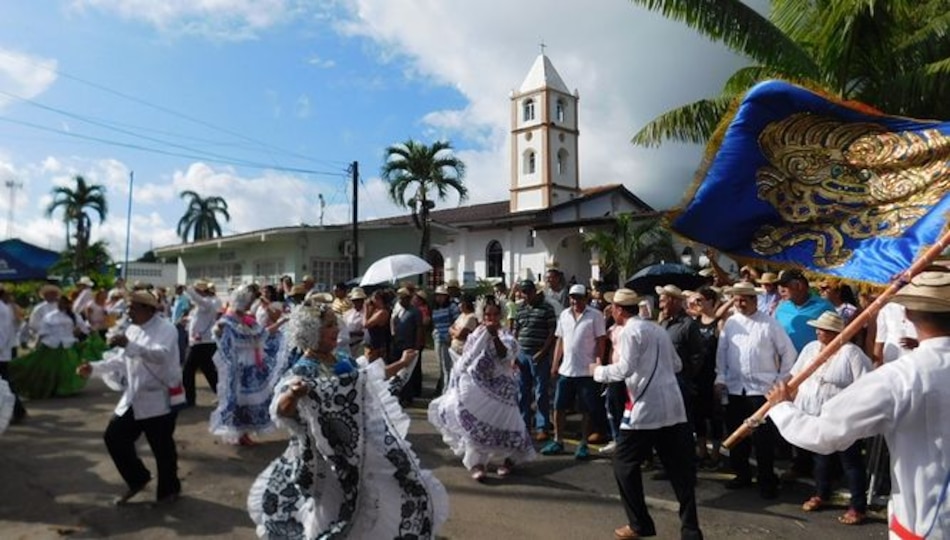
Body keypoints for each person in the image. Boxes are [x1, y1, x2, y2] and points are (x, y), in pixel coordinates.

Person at [767, 267, 950, 538]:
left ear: (907, 315)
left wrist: (781, 408)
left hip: (927, 527)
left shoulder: (901, 376)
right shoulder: (902, 374)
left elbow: (824, 434)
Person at [248, 301, 448, 538]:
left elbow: (370, 378)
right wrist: (293, 394)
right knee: (330, 510)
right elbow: (282, 410)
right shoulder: (303, 370)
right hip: (326, 461)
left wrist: (403, 364)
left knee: (377, 498)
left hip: (358, 452)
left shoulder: (341, 359)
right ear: (311, 331)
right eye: (330, 325)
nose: (337, 329)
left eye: (336, 323)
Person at [591, 289, 703, 540]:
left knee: (623, 464)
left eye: (613, 308)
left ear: (620, 309)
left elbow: (624, 369)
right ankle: (691, 530)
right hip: (671, 407)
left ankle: (640, 524)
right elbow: (677, 365)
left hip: (645, 409)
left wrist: (598, 371)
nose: (611, 311)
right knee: (679, 472)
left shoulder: (631, 331)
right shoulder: (657, 329)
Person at [76, 290, 182, 505]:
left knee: (162, 449)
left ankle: (169, 490)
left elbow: (160, 355)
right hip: (134, 397)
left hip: (159, 399)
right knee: (114, 437)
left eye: (133, 307)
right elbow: (119, 361)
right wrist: (93, 368)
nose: (128, 311)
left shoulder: (166, 329)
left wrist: (129, 345)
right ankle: (138, 478)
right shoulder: (133, 329)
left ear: (146, 309)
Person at [428, 298, 535, 481]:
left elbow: (505, 356)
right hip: (478, 385)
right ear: (482, 316)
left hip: (502, 390)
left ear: (500, 316)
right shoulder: (476, 333)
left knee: (508, 424)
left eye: (494, 314)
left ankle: (510, 459)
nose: (491, 318)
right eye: (487, 315)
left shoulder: (505, 335)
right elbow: (467, 357)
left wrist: (493, 336)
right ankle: (477, 463)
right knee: (474, 424)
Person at [786, 311, 871, 525]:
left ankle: (858, 506)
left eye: (823, 329)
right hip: (814, 412)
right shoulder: (811, 348)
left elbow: (865, 385)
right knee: (821, 458)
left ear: (835, 332)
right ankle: (822, 493)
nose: (818, 331)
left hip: (843, 416)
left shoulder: (851, 353)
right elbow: (796, 375)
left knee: (850, 461)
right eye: (818, 328)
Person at [715, 281, 797, 499]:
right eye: (736, 299)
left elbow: (789, 353)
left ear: (753, 300)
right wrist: (720, 377)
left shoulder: (769, 324)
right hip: (735, 389)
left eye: (743, 299)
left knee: (762, 439)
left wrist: (780, 381)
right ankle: (741, 474)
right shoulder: (731, 323)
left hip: (760, 392)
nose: (739, 303)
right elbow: (722, 352)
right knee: (736, 435)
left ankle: (766, 481)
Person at [209, 285, 287, 446]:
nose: (249, 305)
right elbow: (219, 334)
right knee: (239, 401)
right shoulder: (228, 321)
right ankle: (240, 434)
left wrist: (281, 322)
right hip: (239, 368)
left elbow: (263, 333)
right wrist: (218, 330)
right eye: (247, 302)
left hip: (251, 368)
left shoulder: (248, 321)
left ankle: (243, 434)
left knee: (250, 401)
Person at [542, 284, 606, 459]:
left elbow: (601, 341)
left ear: (586, 298)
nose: (575, 301)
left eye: (579, 297)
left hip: (587, 370)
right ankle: (558, 440)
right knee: (559, 406)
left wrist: (599, 362)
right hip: (566, 370)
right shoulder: (564, 315)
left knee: (586, 409)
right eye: (572, 297)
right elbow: (560, 341)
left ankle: (584, 443)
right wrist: (555, 363)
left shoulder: (596, 316)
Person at [11, 295, 89, 399]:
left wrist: (80, 332)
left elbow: (84, 328)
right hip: (51, 345)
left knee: (68, 368)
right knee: (46, 368)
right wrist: (37, 343)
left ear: (67, 304)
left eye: (63, 303)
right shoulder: (50, 316)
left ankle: (65, 389)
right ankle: (52, 388)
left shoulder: (74, 316)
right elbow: (43, 331)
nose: (61, 304)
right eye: (59, 303)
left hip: (68, 344)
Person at [513, 279, 558, 441]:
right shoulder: (521, 309)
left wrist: (543, 352)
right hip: (522, 354)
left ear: (534, 291)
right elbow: (515, 332)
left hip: (539, 355)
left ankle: (542, 426)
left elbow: (552, 333)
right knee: (522, 392)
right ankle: (524, 424)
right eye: (523, 292)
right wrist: (514, 354)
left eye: (528, 292)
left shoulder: (547, 308)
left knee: (540, 392)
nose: (526, 295)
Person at [183, 280, 221, 406]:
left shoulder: (208, 303)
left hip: (203, 342)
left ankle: (190, 399)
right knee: (208, 371)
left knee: (188, 370)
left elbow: (197, 299)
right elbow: (196, 318)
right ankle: (223, 395)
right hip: (200, 342)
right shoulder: (201, 306)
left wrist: (188, 289)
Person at [431, 285, 459, 395]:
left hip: (448, 338)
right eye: (438, 296)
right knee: (441, 365)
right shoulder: (435, 308)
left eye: (441, 296)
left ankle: (446, 391)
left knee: (448, 366)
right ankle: (444, 388)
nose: (439, 298)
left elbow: (456, 322)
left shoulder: (452, 307)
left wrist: (451, 336)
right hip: (438, 338)